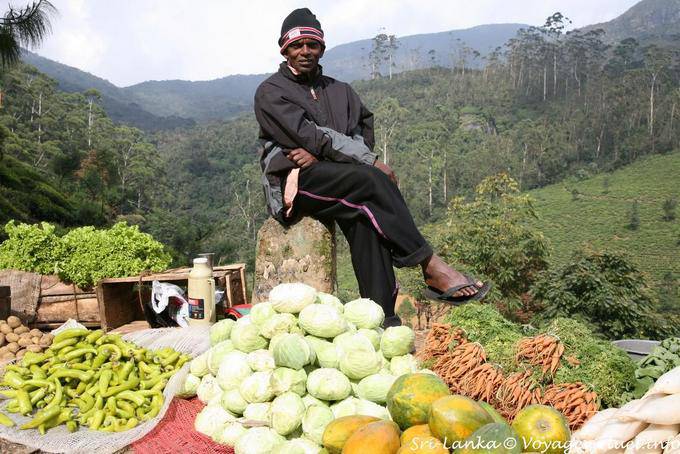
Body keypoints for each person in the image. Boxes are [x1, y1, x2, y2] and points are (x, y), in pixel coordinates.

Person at [254, 8, 489, 325]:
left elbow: (360, 133)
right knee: (371, 179)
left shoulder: (341, 91)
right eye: (297, 45)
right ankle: (430, 264)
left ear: (322, 48)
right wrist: (358, 158)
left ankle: (382, 321)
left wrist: (325, 155)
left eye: (312, 44)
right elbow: (309, 135)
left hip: (336, 179)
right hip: (296, 183)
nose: (305, 52)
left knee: (368, 220)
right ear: (284, 49)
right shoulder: (271, 92)